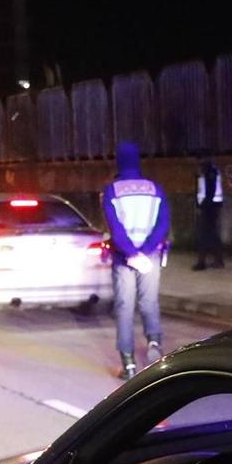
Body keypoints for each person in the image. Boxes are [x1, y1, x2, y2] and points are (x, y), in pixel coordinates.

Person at [101, 141, 169, 378]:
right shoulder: (155, 188)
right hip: (150, 256)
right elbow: (163, 225)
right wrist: (146, 251)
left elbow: (115, 227)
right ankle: (154, 343)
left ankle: (129, 364)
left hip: (124, 258)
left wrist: (131, 253)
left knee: (124, 307)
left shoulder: (112, 190)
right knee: (149, 303)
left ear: (118, 161)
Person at [192, 156, 226, 270]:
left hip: (210, 206)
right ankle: (218, 260)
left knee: (204, 234)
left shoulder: (209, 171)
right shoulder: (208, 170)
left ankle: (202, 263)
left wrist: (203, 205)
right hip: (210, 205)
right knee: (211, 234)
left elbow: (209, 191)